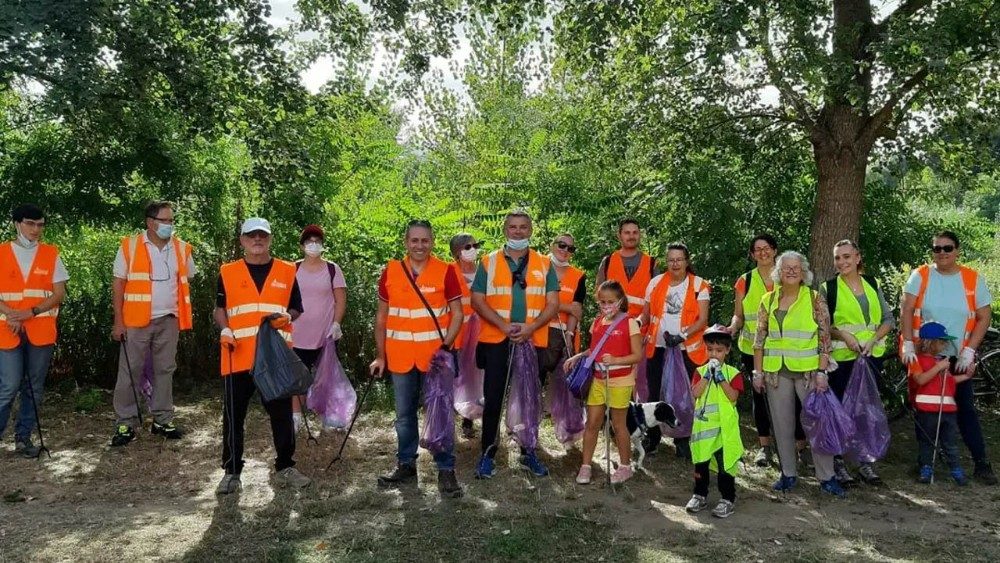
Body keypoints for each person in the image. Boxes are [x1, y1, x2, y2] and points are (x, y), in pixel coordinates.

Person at [214, 217, 311, 494]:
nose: (257, 240)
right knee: (233, 415)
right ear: (242, 240)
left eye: (262, 236)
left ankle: (286, 467)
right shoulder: (228, 271)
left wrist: (285, 316)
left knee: (281, 413)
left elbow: (296, 308)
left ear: (269, 239)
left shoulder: (287, 270)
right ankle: (232, 472)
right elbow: (219, 308)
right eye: (251, 236)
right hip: (237, 353)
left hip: (275, 357)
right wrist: (224, 329)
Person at [371, 220, 464, 498]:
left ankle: (446, 469)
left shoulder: (446, 271)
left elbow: (457, 313)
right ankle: (406, 464)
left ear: (432, 242)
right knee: (403, 416)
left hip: (435, 358)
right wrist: (380, 356)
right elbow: (381, 318)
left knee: (441, 414)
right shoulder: (391, 271)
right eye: (415, 240)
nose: (419, 246)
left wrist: (446, 347)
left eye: (425, 240)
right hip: (400, 357)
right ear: (406, 242)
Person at [900, 230, 996, 484]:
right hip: (923, 355)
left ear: (957, 250)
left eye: (947, 248)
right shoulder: (920, 275)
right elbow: (907, 309)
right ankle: (924, 464)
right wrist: (909, 343)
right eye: (937, 248)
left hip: (956, 358)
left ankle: (981, 463)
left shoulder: (972, 279)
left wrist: (969, 350)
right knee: (923, 409)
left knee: (964, 409)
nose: (942, 253)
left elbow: (984, 316)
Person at [470, 210, 560, 479]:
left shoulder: (545, 264)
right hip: (497, 339)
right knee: (494, 397)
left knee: (529, 400)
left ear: (530, 230)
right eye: (513, 227)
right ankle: (488, 453)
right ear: (504, 230)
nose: (518, 232)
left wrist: (530, 328)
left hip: (533, 340)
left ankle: (528, 451)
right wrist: (502, 325)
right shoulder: (489, 262)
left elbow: (553, 303)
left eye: (523, 227)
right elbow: (477, 300)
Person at [752, 251, 844, 496]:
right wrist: (757, 372)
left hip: (809, 373)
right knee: (782, 426)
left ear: (804, 273)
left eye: (796, 268)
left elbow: (825, 339)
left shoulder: (814, 299)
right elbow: (759, 339)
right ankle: (788, 474)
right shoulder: (768, 300)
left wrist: (822, 371)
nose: (791, 271)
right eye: (786, 268)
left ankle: (827, 477)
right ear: (778, 272)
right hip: (775, 373)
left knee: (817, 424)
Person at [110, 201, 195, 446]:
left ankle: (162, 420)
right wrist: (119, 322)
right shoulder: (130, 246)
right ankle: (125, 422)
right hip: (136, 321)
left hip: (169, 319)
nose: (170, 225)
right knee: (129, 371)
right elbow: (118, 284)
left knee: (165, 370)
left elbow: (187, 278)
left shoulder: (181, 248)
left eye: (171, 221)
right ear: (150, 222)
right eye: (165, 220)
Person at [728, 234, 808, 467]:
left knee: (795, 397)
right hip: (753, 349)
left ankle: (801, 447)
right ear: (752, 255)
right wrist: (732, 327)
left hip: (786, 349)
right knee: (760, 397)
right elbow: (739, 314)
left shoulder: (787, 275)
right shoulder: (745, 280)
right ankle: (765, 447)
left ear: (774, 250)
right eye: (757, 250)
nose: (762, 253)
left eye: (767, 248)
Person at [821, 239, 894, 485]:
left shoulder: (873, 283)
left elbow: (888, 320)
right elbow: (824, 326)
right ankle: (839, 462)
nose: (842, 262)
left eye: (846, 256)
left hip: (871, 357)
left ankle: (865, 461)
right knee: (840, 411)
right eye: (837, 258)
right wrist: (844, 335)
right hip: (842, 360)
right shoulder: (828, 288)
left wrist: (873, 340)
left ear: (858, 257)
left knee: (867, 410)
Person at [0, 204, 68, 457]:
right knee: (8, 386)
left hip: (40, 329)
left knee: (34, 387)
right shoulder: (2, 252)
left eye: (40, 224)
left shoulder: (51, 254)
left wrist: (31, 312)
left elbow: (58, 293)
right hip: (6, 329)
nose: (36, 229)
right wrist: (11, 314)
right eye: (30, 223)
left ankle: (23, 438)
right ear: (17, 224)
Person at [563, 281, 642, 485]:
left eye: (611, 301)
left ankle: (625, 466)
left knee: (618, 425)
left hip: (621, 380)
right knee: (592, 423)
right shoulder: (597, 322)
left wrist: (616, 360)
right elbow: (594, 349)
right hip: (598, 379)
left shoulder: (629, 323)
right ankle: (586, 465)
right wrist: (577, 356)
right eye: (603, 302)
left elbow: (637, 355)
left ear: (621, 301)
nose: (607, 305)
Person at [640, 242, 709, 459]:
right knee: (654, 394)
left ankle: (683, 439)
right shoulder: (655, 283)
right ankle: (652, 438)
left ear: (687, 261)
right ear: (666, 262)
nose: (675, 263)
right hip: (658, 348)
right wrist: (634, 323)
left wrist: (683, 335)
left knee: (684, 397)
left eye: (679, 259)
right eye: (671, 260)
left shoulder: (699, 285)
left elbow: (702, 319)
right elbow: (646, 314)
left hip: (688, 350)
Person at [291, 224, 347, 433]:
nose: (313, 245)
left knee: (327, 377)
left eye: (317, 241)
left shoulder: (332, 269)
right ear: (302, 246)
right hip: (296, 336)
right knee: (296, 378)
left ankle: (330, 416)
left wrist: (336, 323)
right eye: (309, 241)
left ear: (323, 245)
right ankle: (295, 416)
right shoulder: (292, 269)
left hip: (326, 335)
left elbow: (340, 299)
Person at [685, 325, 744, 519]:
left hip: (724, 430)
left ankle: (727, 498)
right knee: (700, 464)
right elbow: (695, 393)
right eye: (710, 350)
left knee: (724, 466)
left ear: (727, 350)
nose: (714, 354)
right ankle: (699, 494)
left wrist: (720, 379)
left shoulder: (733, 373)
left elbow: (733, 396)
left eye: (719, 351)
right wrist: (707, 376)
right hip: (704, 429)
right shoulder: (700, 371)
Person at [909, 322, 970, 485]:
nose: (945, 345)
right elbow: (921, 379)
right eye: (942, 341)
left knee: (950, 443)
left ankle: (956, 469)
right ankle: (926, 468)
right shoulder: (915, 360)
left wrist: (965, 377)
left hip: (947, 410)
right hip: (927, 410)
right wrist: (938, 367)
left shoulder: (942, 361)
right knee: (927, 442)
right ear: (930, 342)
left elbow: (947, 381)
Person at [542, 234, 586, 411]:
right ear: (553, 245)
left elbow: (577, 310)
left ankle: (561, 421)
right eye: (562, 245)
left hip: (563, 333)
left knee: (563, 381)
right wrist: (563, 307)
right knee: (533, 378)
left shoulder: (578, 276)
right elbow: (535, 300)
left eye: (570, 248)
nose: (565, 250)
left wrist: (569, 334)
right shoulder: (538, 267)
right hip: (537, 331)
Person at [450, 232, 483, 439]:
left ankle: (468, 420)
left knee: (475, 380)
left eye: (475, 245)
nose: (473, 250)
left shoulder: (484, 273)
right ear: (457, 252)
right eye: (468, 247)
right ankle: (448, 418)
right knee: (454, 379)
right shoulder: (448, 272)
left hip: (481, 337)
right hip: (455, 336)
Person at [595, 219, 658, 320]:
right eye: (627, 233)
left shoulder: (651, 263)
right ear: (619, 236)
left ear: (639, 235)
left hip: (642, 328)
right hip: (612, 326)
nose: (631, 236)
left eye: (635, 232)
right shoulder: (608, 261)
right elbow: (599, 295)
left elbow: (657, 298)